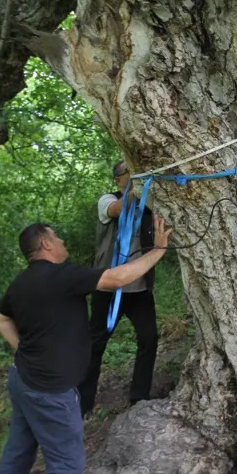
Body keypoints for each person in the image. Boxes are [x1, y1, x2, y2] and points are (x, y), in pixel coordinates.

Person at [0, 218, 172, 474]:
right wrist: (158, 249)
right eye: (57, 236)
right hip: (50, 392)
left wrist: (22, 350)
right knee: (67, 464)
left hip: (23, 381)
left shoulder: (22, 282)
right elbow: (117, 278)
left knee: (16, 458)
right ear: (46, 245)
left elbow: (1, 316)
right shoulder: (62, 276)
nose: (62, 239)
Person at [79, 160, 159, 417]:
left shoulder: (149, 206)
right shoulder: (107, 200)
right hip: (107, 287)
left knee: (149, 338)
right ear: (118, 180)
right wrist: (140, 185)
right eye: (130, 173)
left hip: (139, 290)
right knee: (96, 344)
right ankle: (83, 404)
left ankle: (139, 397)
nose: (134, 176)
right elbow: (116, 209)